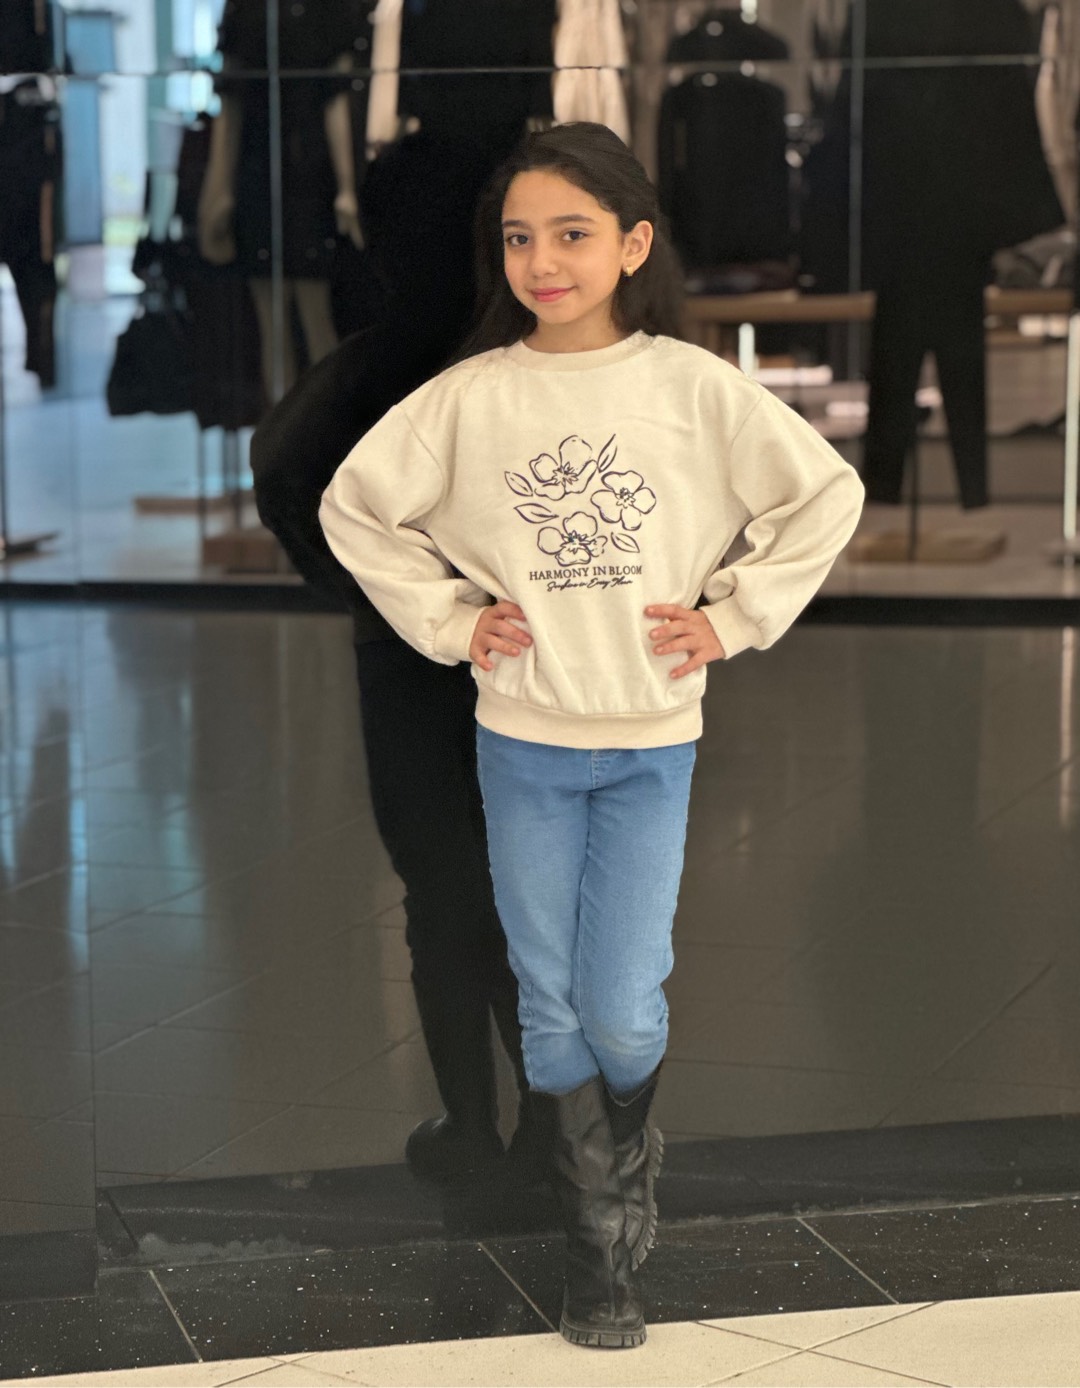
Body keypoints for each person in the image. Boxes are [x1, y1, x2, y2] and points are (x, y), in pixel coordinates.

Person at [320, 122, 864, 1350]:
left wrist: (734, 617)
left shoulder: (690, 387)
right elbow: (355, 507)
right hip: (522, 743)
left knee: (621, 1009)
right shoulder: (472, 398)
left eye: (572, 233)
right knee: (551, 1006)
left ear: (633, 244)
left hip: (651, 743)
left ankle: (622, 1160)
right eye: (520, 237)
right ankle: (600, 1247)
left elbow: (824, 492)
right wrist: (453, 620)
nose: (544, 261)